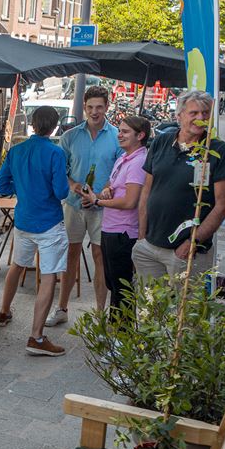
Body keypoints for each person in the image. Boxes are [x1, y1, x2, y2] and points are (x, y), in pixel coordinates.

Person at [134, 90, 225, 282]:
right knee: (147, 309)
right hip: (150, 246)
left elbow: (223, 206)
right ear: (179, 115)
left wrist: (193, 242)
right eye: (194, 113)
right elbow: (146, 190)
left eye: (205, 113)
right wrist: (142, 236)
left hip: (186, 251)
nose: (201, 118)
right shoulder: (161, 141)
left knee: (186, 309)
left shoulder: (218, 151)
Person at [0, 106, 70, 356]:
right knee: (48, 275)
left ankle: (4, 312)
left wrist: (24, 187)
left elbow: (2, 185)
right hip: (48, 222)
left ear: (33, 125)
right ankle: (36, 337)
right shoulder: (55, 153)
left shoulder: (16, 151)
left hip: (23, 219)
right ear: (55, 127)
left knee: (16, 265)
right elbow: (61, 192)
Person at [48, 86, 119, 327]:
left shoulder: (117, 136)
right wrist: (76, 186)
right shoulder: (70, 137)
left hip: (103, 207)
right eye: (90, 107)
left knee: (100, 257)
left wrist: (100, 194)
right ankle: (61, 308)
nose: (94, 112)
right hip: (74, 205)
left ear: (107, 107)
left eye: (99, 107)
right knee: (70, 255)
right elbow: (61, 173)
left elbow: (119, 173)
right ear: (84, 108)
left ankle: (100, 314)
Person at [79, 116, 151, 312]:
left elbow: (130, 202)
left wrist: (97, 201)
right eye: (119, 130)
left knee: (122, 289)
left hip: (124, 232)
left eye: (125, 132)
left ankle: (122, 336)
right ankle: (116, 332)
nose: (119, 135)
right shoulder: (124, 157)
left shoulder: (139, 161)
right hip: (110, 228)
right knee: (113, 284)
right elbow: (113, 184)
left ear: (140, 135)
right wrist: (107, 190)